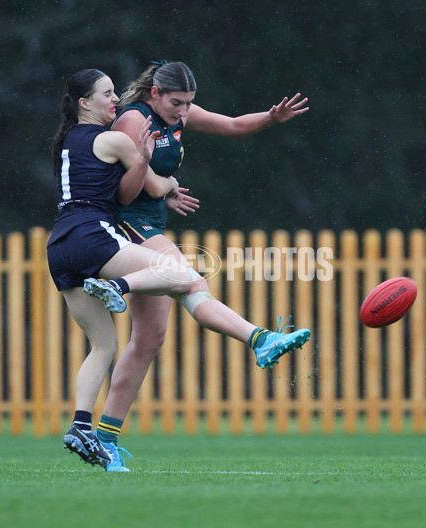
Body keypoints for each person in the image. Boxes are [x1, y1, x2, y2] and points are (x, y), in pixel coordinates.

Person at [91, 61, 311, 472]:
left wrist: (271, 117)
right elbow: (121, 192)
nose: (184, 111)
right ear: (155, 92)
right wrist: (163, 188)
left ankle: (105, 439)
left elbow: (230, 125)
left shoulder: (177, 115)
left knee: (149, 338)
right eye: (177, 103)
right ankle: (260, 339)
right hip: (126, 224)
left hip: (149, 222)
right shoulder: (133, 121)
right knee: (189, 281)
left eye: (189, 103)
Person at [47, 68, 197, 468]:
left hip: (58, 245)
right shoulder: (112, 138)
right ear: (84, 103)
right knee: (182, 274)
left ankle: (81, 424)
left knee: (104, 345)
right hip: (90, 234)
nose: (116, 100)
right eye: (107, 94)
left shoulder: (66, 141)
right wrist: (165, 183)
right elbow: (154, 185)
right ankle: (121, 287)